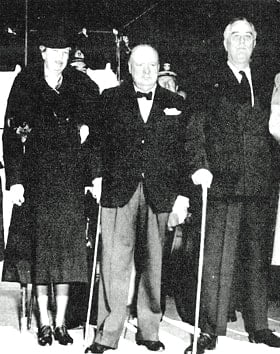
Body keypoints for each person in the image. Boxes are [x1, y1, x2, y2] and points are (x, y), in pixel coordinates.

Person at [85, 44, 190, 353]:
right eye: (139, 64)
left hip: (161, 192)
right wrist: (95, 175)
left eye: (152, 64)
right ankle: (108, 332)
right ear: (128, 68)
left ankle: (149, 330)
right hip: (118, 190)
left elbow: (186, 151)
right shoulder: (110, 99)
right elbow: (95, 143)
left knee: (154, 264)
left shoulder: (176, 103)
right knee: (114, 264)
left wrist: (183, 194)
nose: (146, 70)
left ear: (159, 67)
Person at [184, 17, 280, 353]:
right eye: (235, 37)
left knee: (257, 257)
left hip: (261, 182)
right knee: (215, 260)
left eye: (248, 37)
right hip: (221, 182)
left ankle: (258, 326)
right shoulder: (207, 80)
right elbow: (194, 129)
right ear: (225, 43)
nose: (241, 42)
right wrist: (199, 166)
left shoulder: (270, 82)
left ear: (255, 43)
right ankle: (210, 327)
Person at [2, 28, 101, 346]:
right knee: (40, 253)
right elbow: (11, 133)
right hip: (36, 179)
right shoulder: (26, 82)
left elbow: (95, 136)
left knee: (67, 255)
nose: (60, 58)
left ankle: (61, 324)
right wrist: (15, 180)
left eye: (65, 52)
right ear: (42, 50)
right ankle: (44, 323)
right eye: (53, 51)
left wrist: (93, 176)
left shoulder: (83, 85)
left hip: (70, 181)